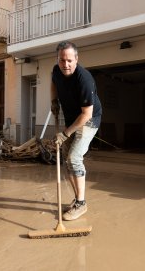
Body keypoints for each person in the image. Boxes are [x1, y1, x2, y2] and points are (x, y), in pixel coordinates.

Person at [51, 40, 102, 221]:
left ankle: (81, 203)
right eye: (62, 60)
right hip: (73, 118)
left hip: (88, 120)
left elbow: (86, 114)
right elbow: (54, 83)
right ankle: (77, 199)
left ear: (76, 59)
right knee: (67, 160)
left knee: (74, 157)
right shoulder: (56, 70)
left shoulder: (84, 79)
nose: (66, 64)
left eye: (70, 60)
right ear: (58, 59)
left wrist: (65, 133)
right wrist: (53, 101)